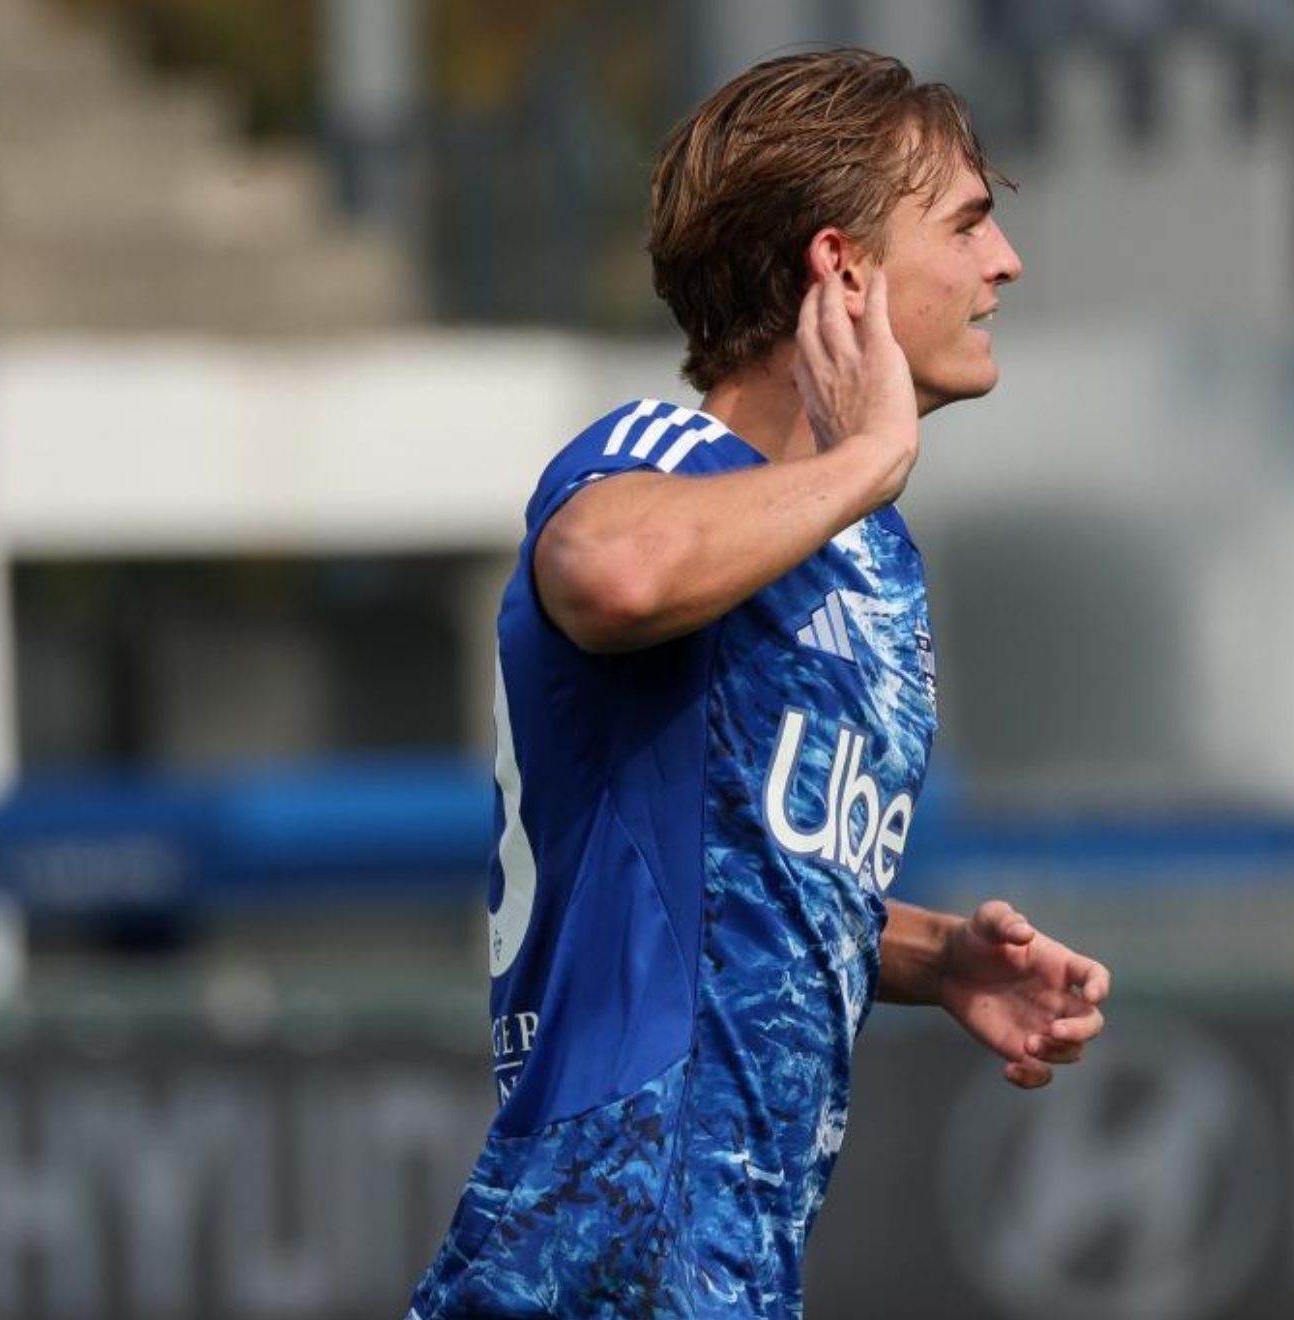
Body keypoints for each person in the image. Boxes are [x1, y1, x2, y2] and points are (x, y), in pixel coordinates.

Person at [406, 47, 1111, 1320]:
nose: (1004, 261)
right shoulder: (661, 455)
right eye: (966, 223)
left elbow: (718, 871)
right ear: (842, 268)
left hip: (722, 1275)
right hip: (594, 1262)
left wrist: (935, 956)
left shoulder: (866, 557)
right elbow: (607, 573)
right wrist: (876, 453)